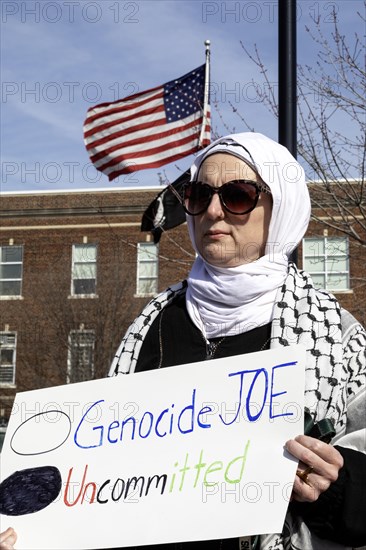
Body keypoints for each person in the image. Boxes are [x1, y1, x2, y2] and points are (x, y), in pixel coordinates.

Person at [1, 133, 365, 550]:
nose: (213, 210)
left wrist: (334, 489)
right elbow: (98, 475)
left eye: (238, 195)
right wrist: (33, 533)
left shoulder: (336, 335)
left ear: (280, 207)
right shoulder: (150, 324)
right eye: (198, 194)